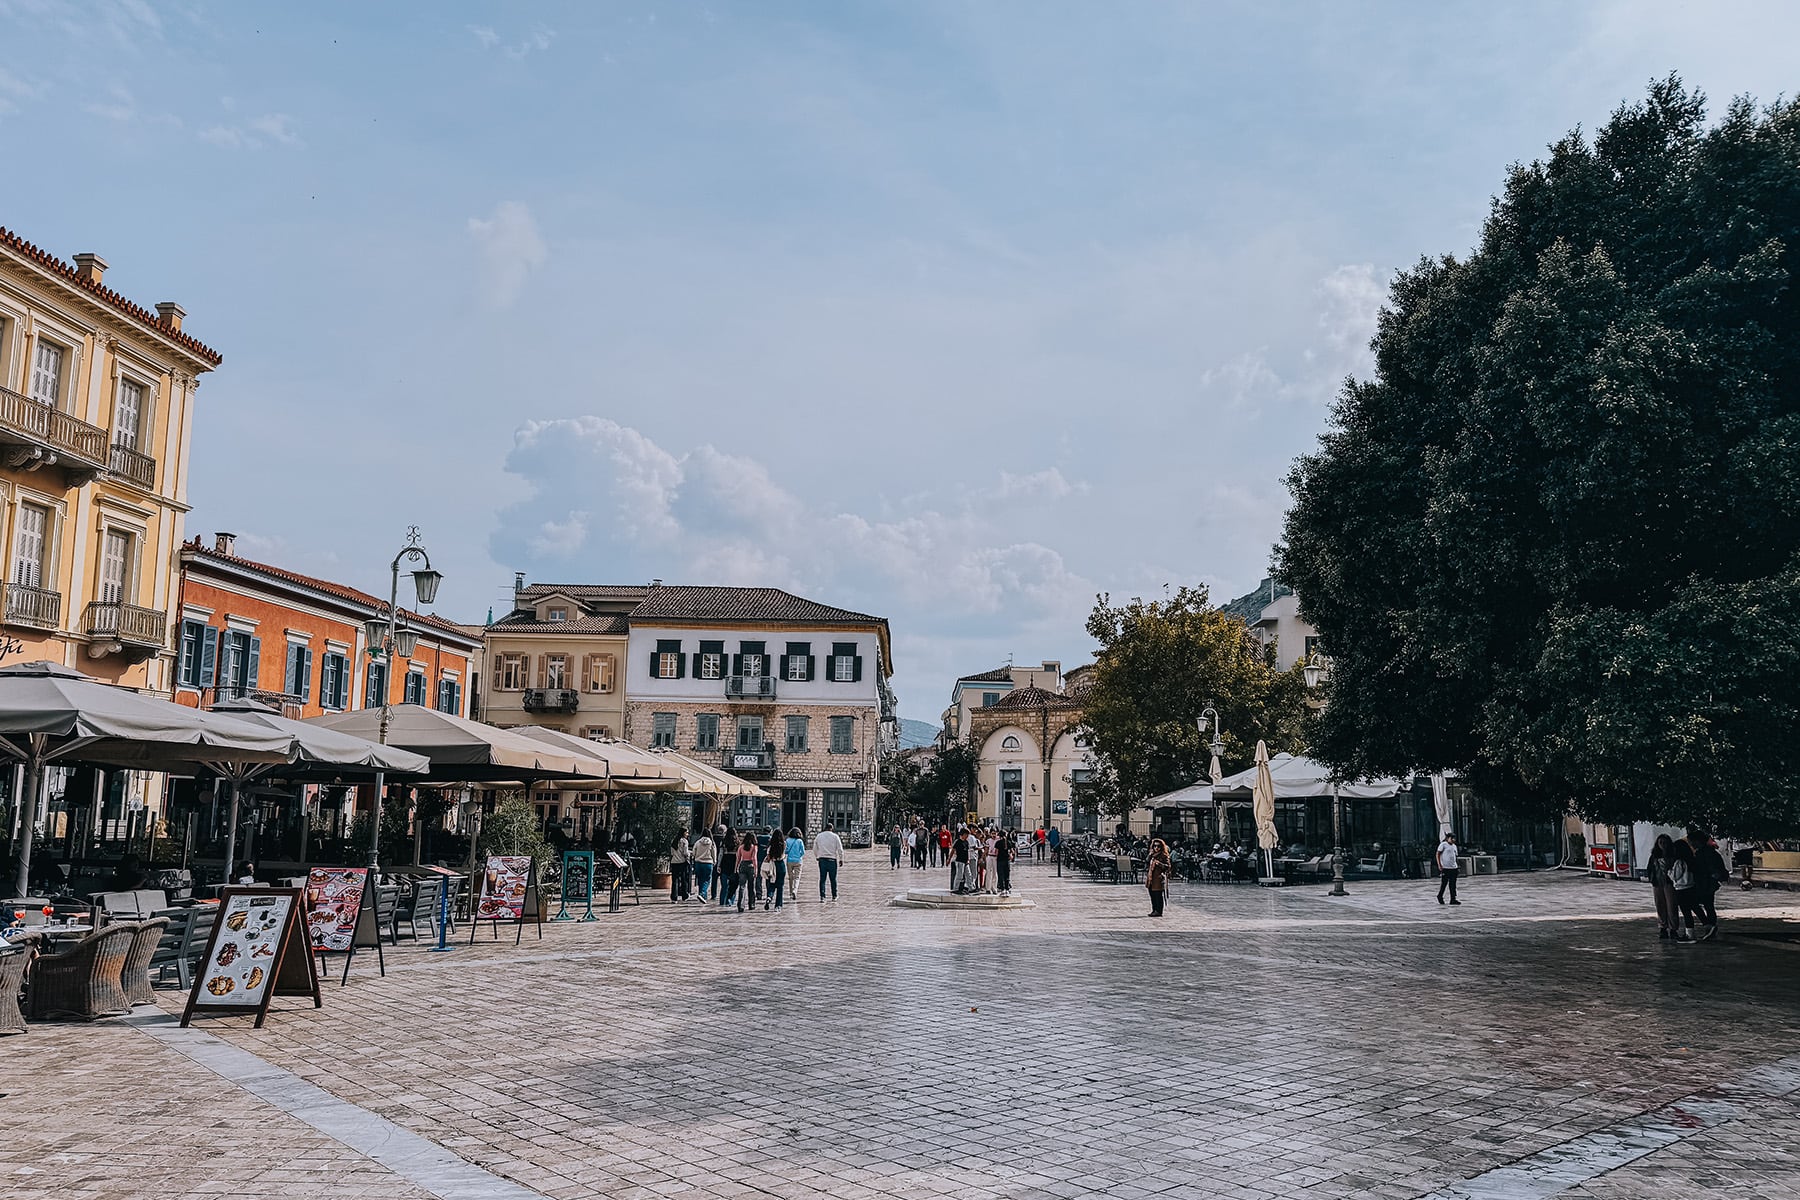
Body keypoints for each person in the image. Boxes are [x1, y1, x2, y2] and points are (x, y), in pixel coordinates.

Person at [1686, 826, 1729, 940]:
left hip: (1706, 883)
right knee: (1707, 905)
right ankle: (1709, 925)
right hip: (1707, 883)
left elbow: (1704, 869)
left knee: (1703, 904)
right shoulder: (1708, 852)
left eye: (1691, 842)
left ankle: (1710, 925)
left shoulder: (1705, 853)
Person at [1669, 839, 1701, 941]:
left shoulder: (1679, 862)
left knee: (1686, 912)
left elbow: (1675, 876)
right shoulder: (1691, 860)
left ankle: (1689, 934)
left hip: (1681, 889)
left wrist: (1669, 871)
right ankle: (1707, 924)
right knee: (1695, 907)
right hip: (1691, 887)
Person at [1646, 834, 1678, 938]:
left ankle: (1673, 928)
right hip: (1657, 883)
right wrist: (1652, 879)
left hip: (1669, 883)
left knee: (1671, 906)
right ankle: (1663, 927)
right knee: (1660, 905)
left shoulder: (1673, 855)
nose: (1662, 845)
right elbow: (1650, 868)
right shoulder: (1654, 855)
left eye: (1664, 843)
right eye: (1660, 843)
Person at [814, 825, 844, 900]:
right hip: (832, 860)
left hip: (822, 859)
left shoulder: (819, 836)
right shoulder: (835, 836)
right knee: (833, 879)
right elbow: (840, 849)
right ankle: (834, 895)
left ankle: (822, 896)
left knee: (822, 879)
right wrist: (841, 859)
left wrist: (817, 856)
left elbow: (815, 848)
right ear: (831, 829)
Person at [1146, 838, 1172, 916]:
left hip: (1158, 877)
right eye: (1155, 846)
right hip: (1151, 877)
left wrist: (1160, 864)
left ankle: (1159, 911)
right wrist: (1149, 855)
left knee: (1158, 895)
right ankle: (1154, 909)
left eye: (1158, 846)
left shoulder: (1163, 855)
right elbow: (1146, 862)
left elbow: (1168, 866)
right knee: (1152, 895)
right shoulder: (1152, 855)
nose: (1156, 848)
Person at [735, 831, 759, 913]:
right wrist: (756, 869)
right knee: (751, 886)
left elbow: (738, 858)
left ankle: (741, 905)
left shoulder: (741, 847)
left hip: (743, 865)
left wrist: (736, 868)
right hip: (751, 866)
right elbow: (754, 858)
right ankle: (751, 904)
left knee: (742, 886)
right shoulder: (754, 847)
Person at [690, 829, 717, 902]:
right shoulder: (711, 843)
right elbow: (714, 853)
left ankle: (702, 895)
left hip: (698, 862)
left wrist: (695, 858)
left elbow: (693, 852)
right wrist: (714, 861)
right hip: (708, 862)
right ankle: (702, 894)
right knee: (707, 880)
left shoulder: (698, 842)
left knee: (700, 880)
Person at [1436, 833, 1460, 905]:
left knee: (1453, 884)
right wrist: (1439, 864)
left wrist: (1457, 865)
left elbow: (1455, 856)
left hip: (1453, 867)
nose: (1453, 840)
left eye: (1454, 838)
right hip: (1446, 867)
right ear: (1448, 838)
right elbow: (1438, 854)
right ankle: (1440, 896)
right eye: (1451, 838)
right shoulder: (1443, 845)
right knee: (1444, 883)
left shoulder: (1454, 846)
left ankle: (1453, 899)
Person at [716, 824, 737, 908]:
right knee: (733, 884)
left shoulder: (724, 842)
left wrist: (718, 865)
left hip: (725, 862)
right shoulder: (737, 842)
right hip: (734, 863)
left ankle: (722, 901)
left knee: (724, 885)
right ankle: (730, 900)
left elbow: (720, 854)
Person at [763, 838, 785, 910]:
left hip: (773, 865)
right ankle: (778, 905)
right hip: (781, 865)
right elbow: (784, 854)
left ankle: (769, 897)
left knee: (772, 883)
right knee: (780, 886)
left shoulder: (770, 847)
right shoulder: (783, 844)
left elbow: (768, 857)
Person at [669, 832, 691, 903]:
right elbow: (685, 853)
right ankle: (684, 895)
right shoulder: (685, 841)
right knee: (683, 879)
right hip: (682, 862)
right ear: (684, 833)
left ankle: (674, 897)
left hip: (674, 862)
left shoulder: (674, 840)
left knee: (675, 880)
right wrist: (689, 854)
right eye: (687, 832)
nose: (687, 834)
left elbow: (672, 852)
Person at [785, 828, 805, 899]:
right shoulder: (800, 841)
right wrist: (798, 856)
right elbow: (803, 852)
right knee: (797, 877)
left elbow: (786, 851)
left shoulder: (787, 840)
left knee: (790, 878)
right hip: (798, 861)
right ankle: (795, 890)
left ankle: (790, 893)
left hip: (789, 861)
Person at [995, 828, 1015, 896]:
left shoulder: (998, 843)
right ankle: (1007, 889)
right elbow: (1012, 851)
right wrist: (1010, 855)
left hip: (1000, 860)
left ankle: (1002, 889)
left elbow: (996, 853)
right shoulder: (1008, 842)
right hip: (1007, 861)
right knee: (1007, 875)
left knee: (1001, 875)